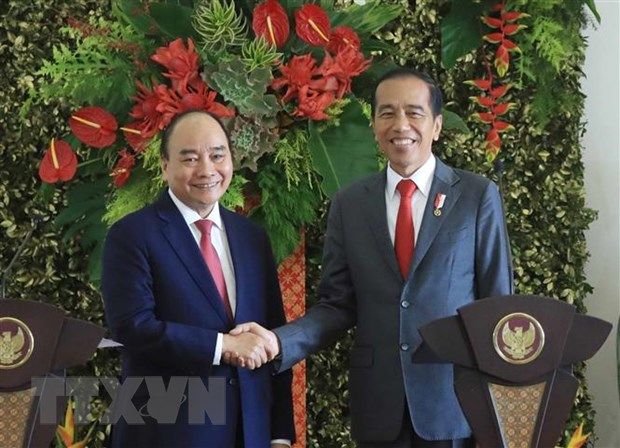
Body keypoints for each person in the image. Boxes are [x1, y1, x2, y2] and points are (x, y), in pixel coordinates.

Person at [230, 68, 514, 447]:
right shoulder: (350, 203)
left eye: (414, 112)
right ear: (375, 126)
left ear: (436, 126)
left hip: (454, 404)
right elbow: (336, 306)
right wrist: (279, 342)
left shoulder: (476, 196)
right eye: (387, 113)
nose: (401, 125)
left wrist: (499, 417)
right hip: (379, 408)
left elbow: (498, 309)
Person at [101, 110, 295, 448]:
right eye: (190, 159)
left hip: (250, 432)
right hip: (167, 432)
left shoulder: (251, 237)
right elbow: (132, 327)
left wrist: (279, 434)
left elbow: (272, 336)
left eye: (217, 155)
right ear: (164, 166)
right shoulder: (131, 235)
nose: (207, 170)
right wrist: (223, 346)